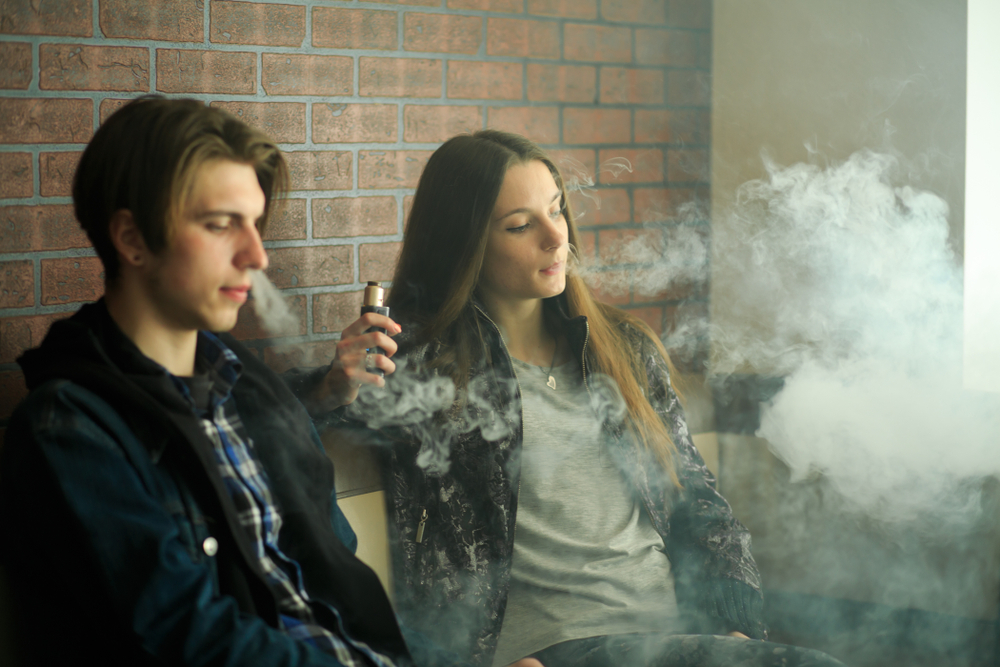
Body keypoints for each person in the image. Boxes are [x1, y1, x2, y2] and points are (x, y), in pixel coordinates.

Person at [0, 97, 541, 667]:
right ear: (132, 240)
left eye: (255, 224)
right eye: (220, 225)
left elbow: (341, 598)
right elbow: (194, 640)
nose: (255, 255)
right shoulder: (70, 430)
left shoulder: (245, 393)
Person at [303, 131, 848, 667]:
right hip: (548, 654)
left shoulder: (624, 348)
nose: (554, 237)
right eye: (520, 225)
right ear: (464, 245)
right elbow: (263, 416)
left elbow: (699, 506)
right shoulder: (423, 368)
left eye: (557, 211)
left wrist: (733, 632)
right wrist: (332, 388)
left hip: (671, 641)